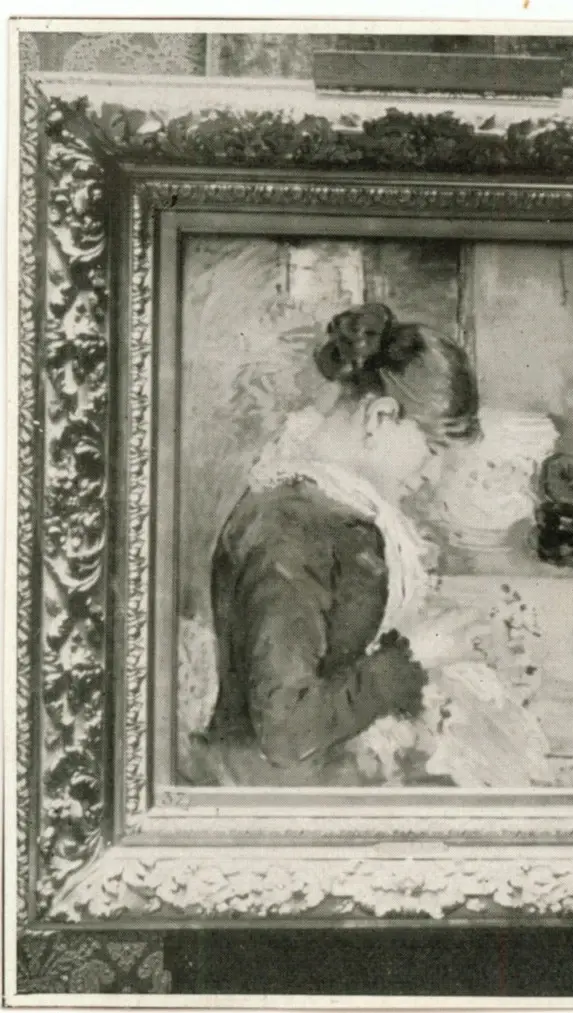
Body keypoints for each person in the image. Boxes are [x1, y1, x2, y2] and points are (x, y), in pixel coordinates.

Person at [184, 303, 487, 787]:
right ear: (380, 417)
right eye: (433, 450)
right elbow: (284, 732)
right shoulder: (287, 528)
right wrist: (413, 657)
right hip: (273, 792)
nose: (433, 475)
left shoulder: (333, 511)